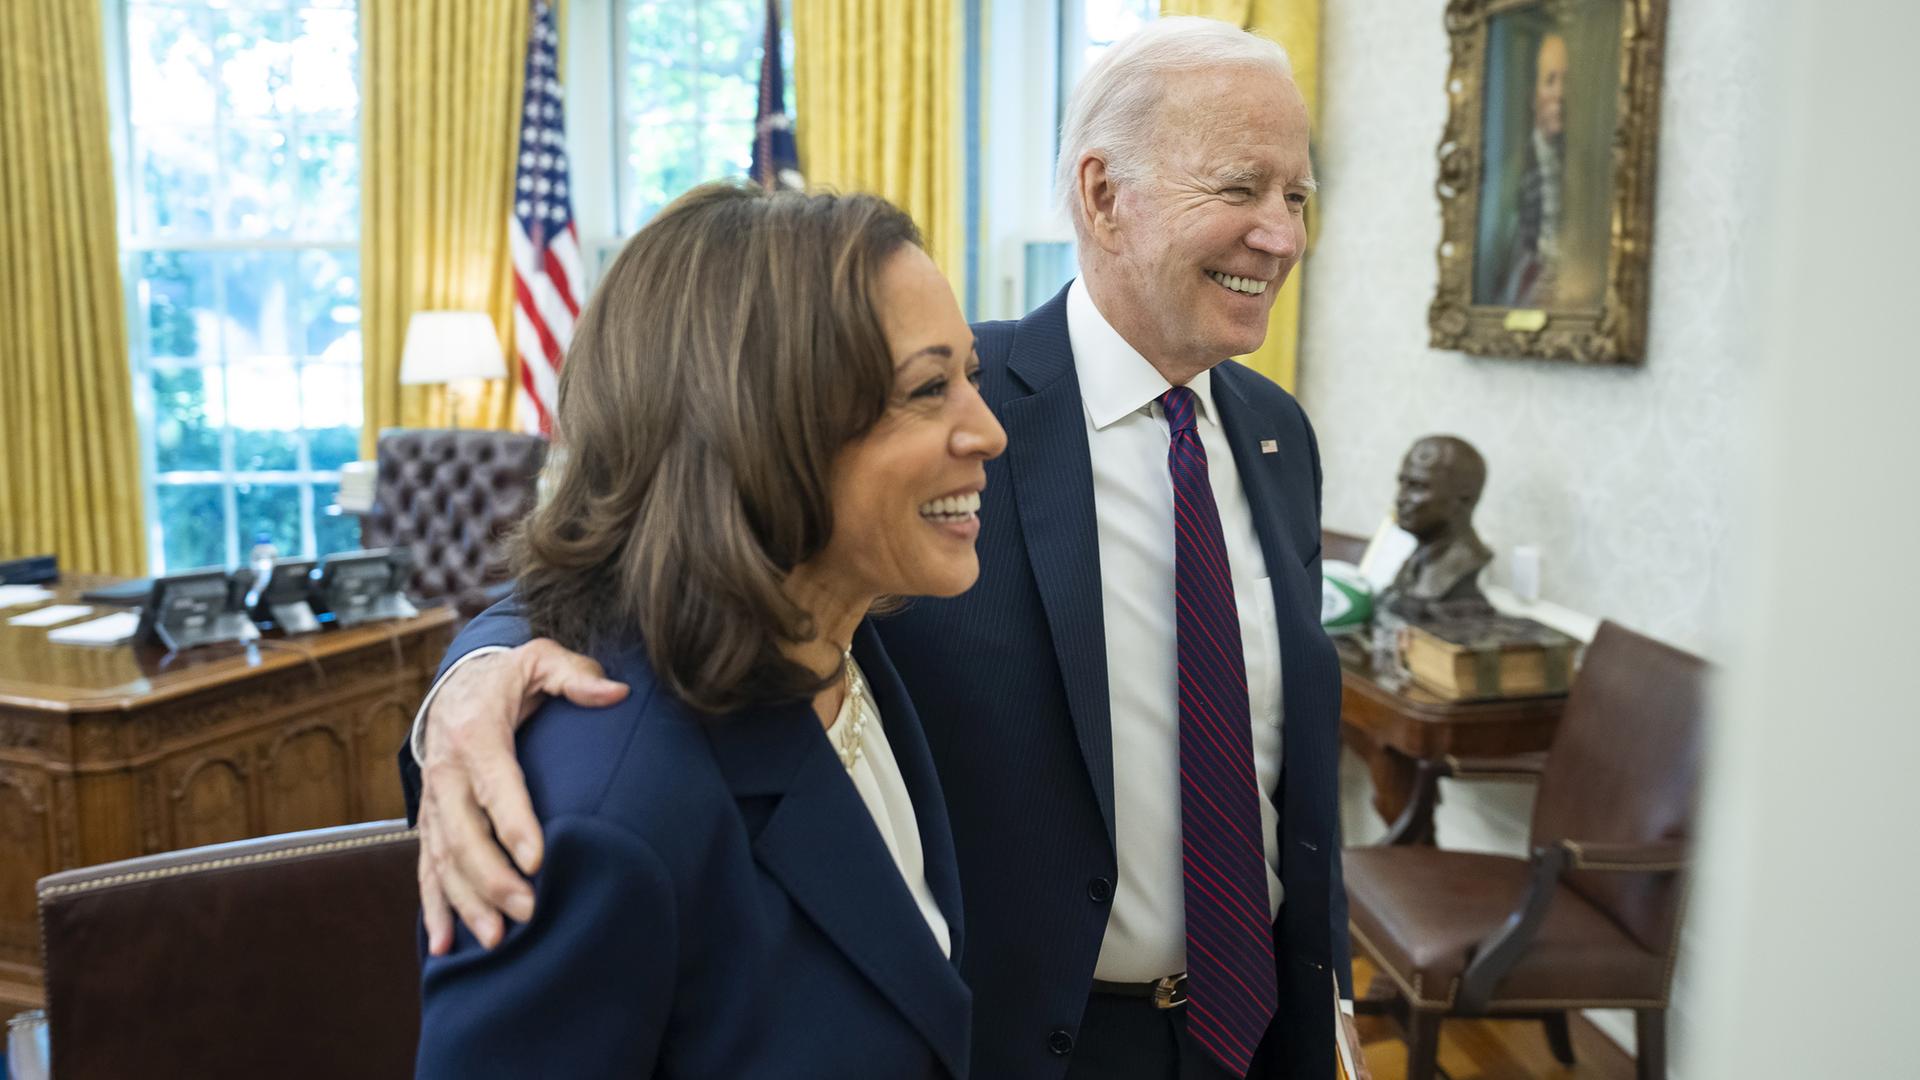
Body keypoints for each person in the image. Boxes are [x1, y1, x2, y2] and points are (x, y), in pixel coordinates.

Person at [406, 17, 1367, 1080]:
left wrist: (1324, 999)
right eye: (1241, 189)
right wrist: (476, 677)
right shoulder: (934, 435)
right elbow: (652, 551)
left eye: (1299, 197)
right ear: (1103, 195)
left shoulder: (1279, 437)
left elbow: (1279, 771)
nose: (1283, 235)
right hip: (1027, 1043)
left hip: (1257, 1027)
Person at [411, 182, 1005, 1077]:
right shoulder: (606, 826)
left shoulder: (857, 623)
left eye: (973, 376)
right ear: (762, 423)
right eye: (929, 388)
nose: (989, 431)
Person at [1378, 435, 1495, 620]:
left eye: (1417, 487)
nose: (1400, 499)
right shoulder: (1415, 562)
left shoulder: (1464, 566)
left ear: (1464, 496)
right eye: (1402, 484)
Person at [1498, 32, 1569, 308]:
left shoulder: (1584, 170)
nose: (1560, 94)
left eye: (1567, 81)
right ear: (1532, 95)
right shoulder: (1514, 175)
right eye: (1550, 81)